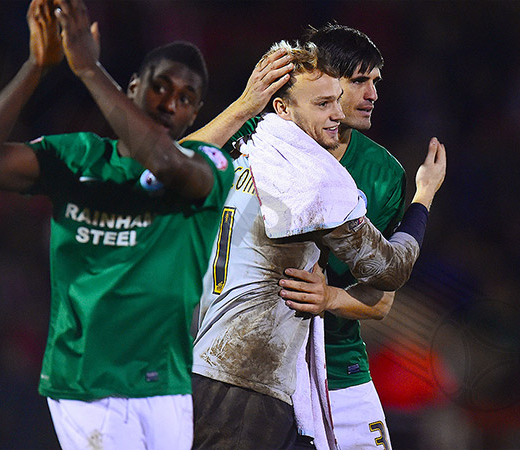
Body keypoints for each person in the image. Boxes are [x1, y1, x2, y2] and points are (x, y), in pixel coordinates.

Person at [0, 0, 234, 448]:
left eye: (185, 99)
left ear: (194, 116)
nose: (169, 104)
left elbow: (162, 159)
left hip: (165, 385)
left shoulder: (209, 167)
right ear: (134, 86)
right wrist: (35, 68)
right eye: (160, 87)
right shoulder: (76, 156)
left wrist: (88, 69)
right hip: (84, 383)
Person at [186, 40, 446, 449]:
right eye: (326, 101)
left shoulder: (250, 144)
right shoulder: (316, 181)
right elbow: (392, 270)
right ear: (283, 108)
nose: (339, 112)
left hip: (216, 359)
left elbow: (169, 167)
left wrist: (330, 298)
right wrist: (424, 198)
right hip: (251, 372)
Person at [278, 24, 406, 450]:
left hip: (338, 361)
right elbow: (178, 164)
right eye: (359, 80)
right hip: (257, 356)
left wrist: (328, 298)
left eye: (375, 82)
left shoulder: (384, 175)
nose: (372, 94)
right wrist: (244, 105)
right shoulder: (257, 145)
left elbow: (382, 298)